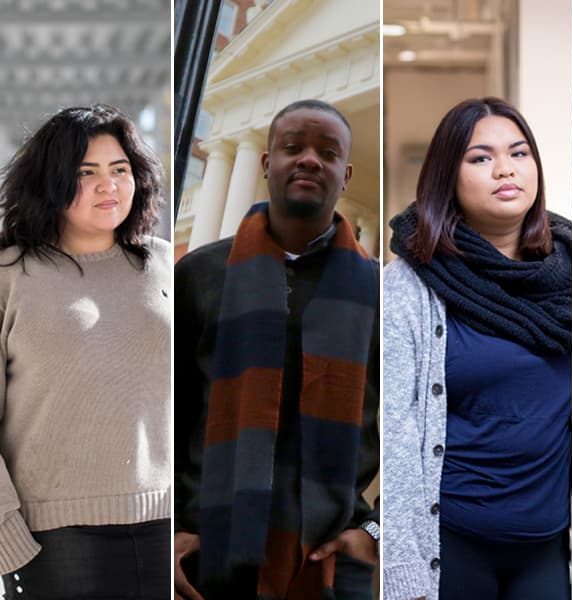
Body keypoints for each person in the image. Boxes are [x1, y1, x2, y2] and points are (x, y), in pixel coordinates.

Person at [174, 99, 380, 599]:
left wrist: (376, 534)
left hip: (329, 562)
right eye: (293, 148)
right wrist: (170, 524)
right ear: (267, 164)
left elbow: (422, 423)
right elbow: (163, 413)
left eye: (327, 152)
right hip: (209, 557)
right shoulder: (200, 274)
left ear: (345, 174)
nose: (309, 159)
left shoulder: (382, 293)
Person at [382, 97, 572, 600]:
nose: (505, 169)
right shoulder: (410, 284)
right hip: (452, 544)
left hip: (549, 546)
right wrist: (405, 572)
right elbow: (397, 433)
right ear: (448, 176)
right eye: (480, 157)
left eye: (519, 153)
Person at [0, 104, 171, 598]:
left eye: (120, 170)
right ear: (51, 182)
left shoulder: (164, 267)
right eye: (86, 173)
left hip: (166, 530)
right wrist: (8, 541)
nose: (109, 185)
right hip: (54, 543)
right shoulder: (9, 274)